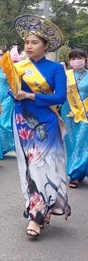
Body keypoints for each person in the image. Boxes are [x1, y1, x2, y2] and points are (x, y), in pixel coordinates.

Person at [5, 14, 70, 238]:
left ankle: (37, 216)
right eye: (27, 42)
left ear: (45, 46)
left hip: (46, 123)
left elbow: (60, 97)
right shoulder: (19, 66)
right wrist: (14, 94)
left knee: (42, 166)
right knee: (28, 167)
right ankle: (38, 207)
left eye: (34, 43)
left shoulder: (55, 69)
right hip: (22, 121)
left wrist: (31, 95)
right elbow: (12, 92)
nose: (29, 46)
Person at [61, 49, 88, 189]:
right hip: (68, 113)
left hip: (85, 114)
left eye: (80, 58)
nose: (77, 61)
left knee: (81, 143)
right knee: (71, 143)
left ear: (85, 59)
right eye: (73, 58)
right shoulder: (65, 75)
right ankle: (77, 171)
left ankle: (75, 175)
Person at [0, 48, 15, 154]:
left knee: (3, 122)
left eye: (2, 55)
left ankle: (13, 144)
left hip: (7, 98)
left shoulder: (10, 69)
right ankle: (2, 147)